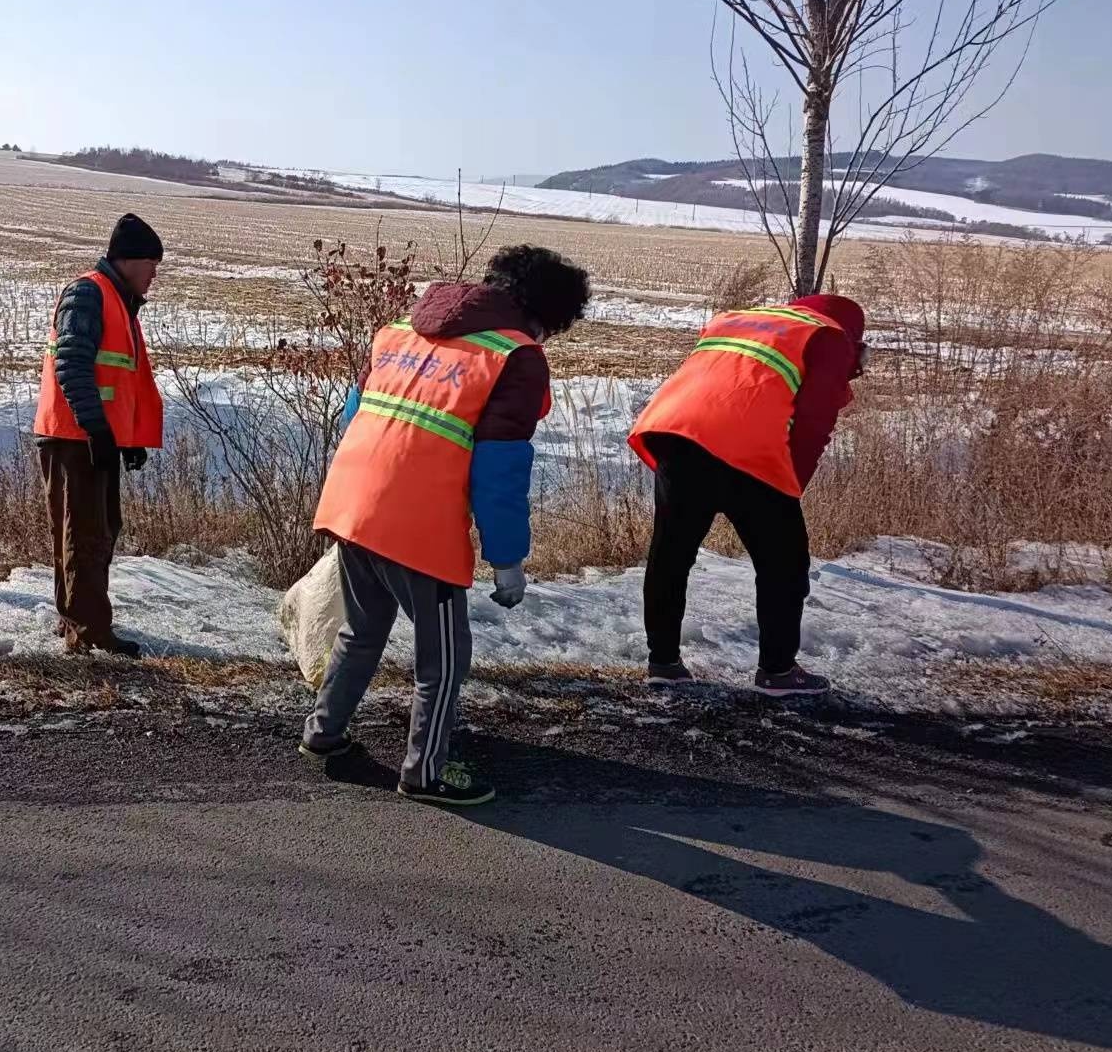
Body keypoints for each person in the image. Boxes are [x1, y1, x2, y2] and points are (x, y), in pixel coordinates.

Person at [303, 245, 591, 806]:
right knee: (446, 659)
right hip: (416, 524)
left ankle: (321, 735)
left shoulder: (399, 330)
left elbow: (353, 413)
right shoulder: (516, 356)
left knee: (361, 632)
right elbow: (500, 470)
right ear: (546, 314)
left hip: (352, 501)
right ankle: (424, 772)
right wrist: (506, 560)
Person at [629, 292, 867, 696]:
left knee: (671, 553)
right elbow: (814, 422)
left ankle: (663, 662)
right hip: (745, 445)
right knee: (784, 563)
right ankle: (777, 671)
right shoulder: (830, 336)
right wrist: (790, 485)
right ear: (852, 332)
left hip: (674, 433)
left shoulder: (739, 318)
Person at [33, 213, 165, 656]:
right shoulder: (89, 293)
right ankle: (88, 632)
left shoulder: (115, 299)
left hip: (90, 436)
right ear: (129, 260)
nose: (154, 275)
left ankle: (78, 623)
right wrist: (97, 430)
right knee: (84, 533)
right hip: (74, 437)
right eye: (152, 264)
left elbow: (118, 383)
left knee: (96, 530)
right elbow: (71, 364)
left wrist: (127, 443)